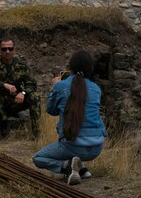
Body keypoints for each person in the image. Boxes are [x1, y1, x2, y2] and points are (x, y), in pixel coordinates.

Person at [32, 50, 106, 185]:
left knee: (38, 157)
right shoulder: (96, 88)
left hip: (73, 146)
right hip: (97, 147)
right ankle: (82, 169)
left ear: (70, 67)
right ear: (90, 69)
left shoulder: (61, 86)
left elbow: (51, 110)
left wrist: (54, 87)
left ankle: (67, 166)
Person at [0, 37, 41, 137]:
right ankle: (4, 120)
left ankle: (37, 133)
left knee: (35, 96)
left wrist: (23, 93)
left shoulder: (21, 65)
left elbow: (32, 84)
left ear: (14, 49)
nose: (7, 51)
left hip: (16, 100)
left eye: (10, 49)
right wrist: (3, 85)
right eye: (4, 49)